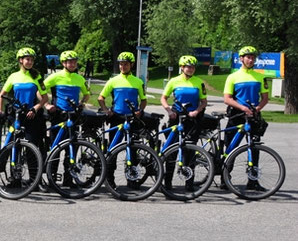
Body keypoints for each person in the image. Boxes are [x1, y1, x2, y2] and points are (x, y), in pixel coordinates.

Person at [97, 51, 148, 189]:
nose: (123, 67)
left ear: (131, 65)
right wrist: (106, 110)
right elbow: (101, 97)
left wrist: (140, 111)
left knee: (133, 150)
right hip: (117, 118)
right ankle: (110, 179)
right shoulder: (113, 81)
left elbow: (143, 100)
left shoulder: (138, 82)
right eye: (120, 64)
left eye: (125, 64)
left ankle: (132, 178)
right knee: (112, 150)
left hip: (133, 119)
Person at [223, 46, 270, 191]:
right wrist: (242, 108)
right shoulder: (233, 77)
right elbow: (227, 98)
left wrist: (257, 109)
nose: (251, 60)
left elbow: (265, 98)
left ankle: (253, 180)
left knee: (254, 148)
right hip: (237, 115)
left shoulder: (260, 76)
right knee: (230, 148)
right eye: (248, 57)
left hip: (253, 116)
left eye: (253, 57)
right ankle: (225, 178)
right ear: (241, 59)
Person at [159, 55, 207, 192]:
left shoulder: (199, 82)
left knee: (190, 150)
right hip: (176, 117)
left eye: (192, 67)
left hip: (192, 119)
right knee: (172, 151)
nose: (190, 69)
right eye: (188, 67)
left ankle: (189, 183)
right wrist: (169, 111)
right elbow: (163, 98)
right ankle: (167, 183)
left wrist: (197, 111)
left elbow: (204, 102)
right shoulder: (174, 81)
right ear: (182, 68)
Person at [43, 50, 90, 187]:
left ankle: (68, 179)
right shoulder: (55, 77)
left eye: (74, 62)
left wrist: (82, 103)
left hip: (73, 116)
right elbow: (40, 89)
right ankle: (52, 180)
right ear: (63, 63)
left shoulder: (79, 79)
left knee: (72, 148)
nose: (72, 64)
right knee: (55, 147)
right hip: (58, 115)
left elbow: (87, 94)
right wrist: (46, 104)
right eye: (69, 62)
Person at [0, 47, 49, 162]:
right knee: (13, 145)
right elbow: (1, 95)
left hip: (31, 115)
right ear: (21, 60)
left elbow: (45, 98)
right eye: (27, 59)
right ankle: (14, 175)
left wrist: (36, 108)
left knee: (31, 148)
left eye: (32, 60)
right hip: (16, 114)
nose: (30, 62)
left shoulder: (37, 77)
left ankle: (33, 178)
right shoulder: (13, 76)